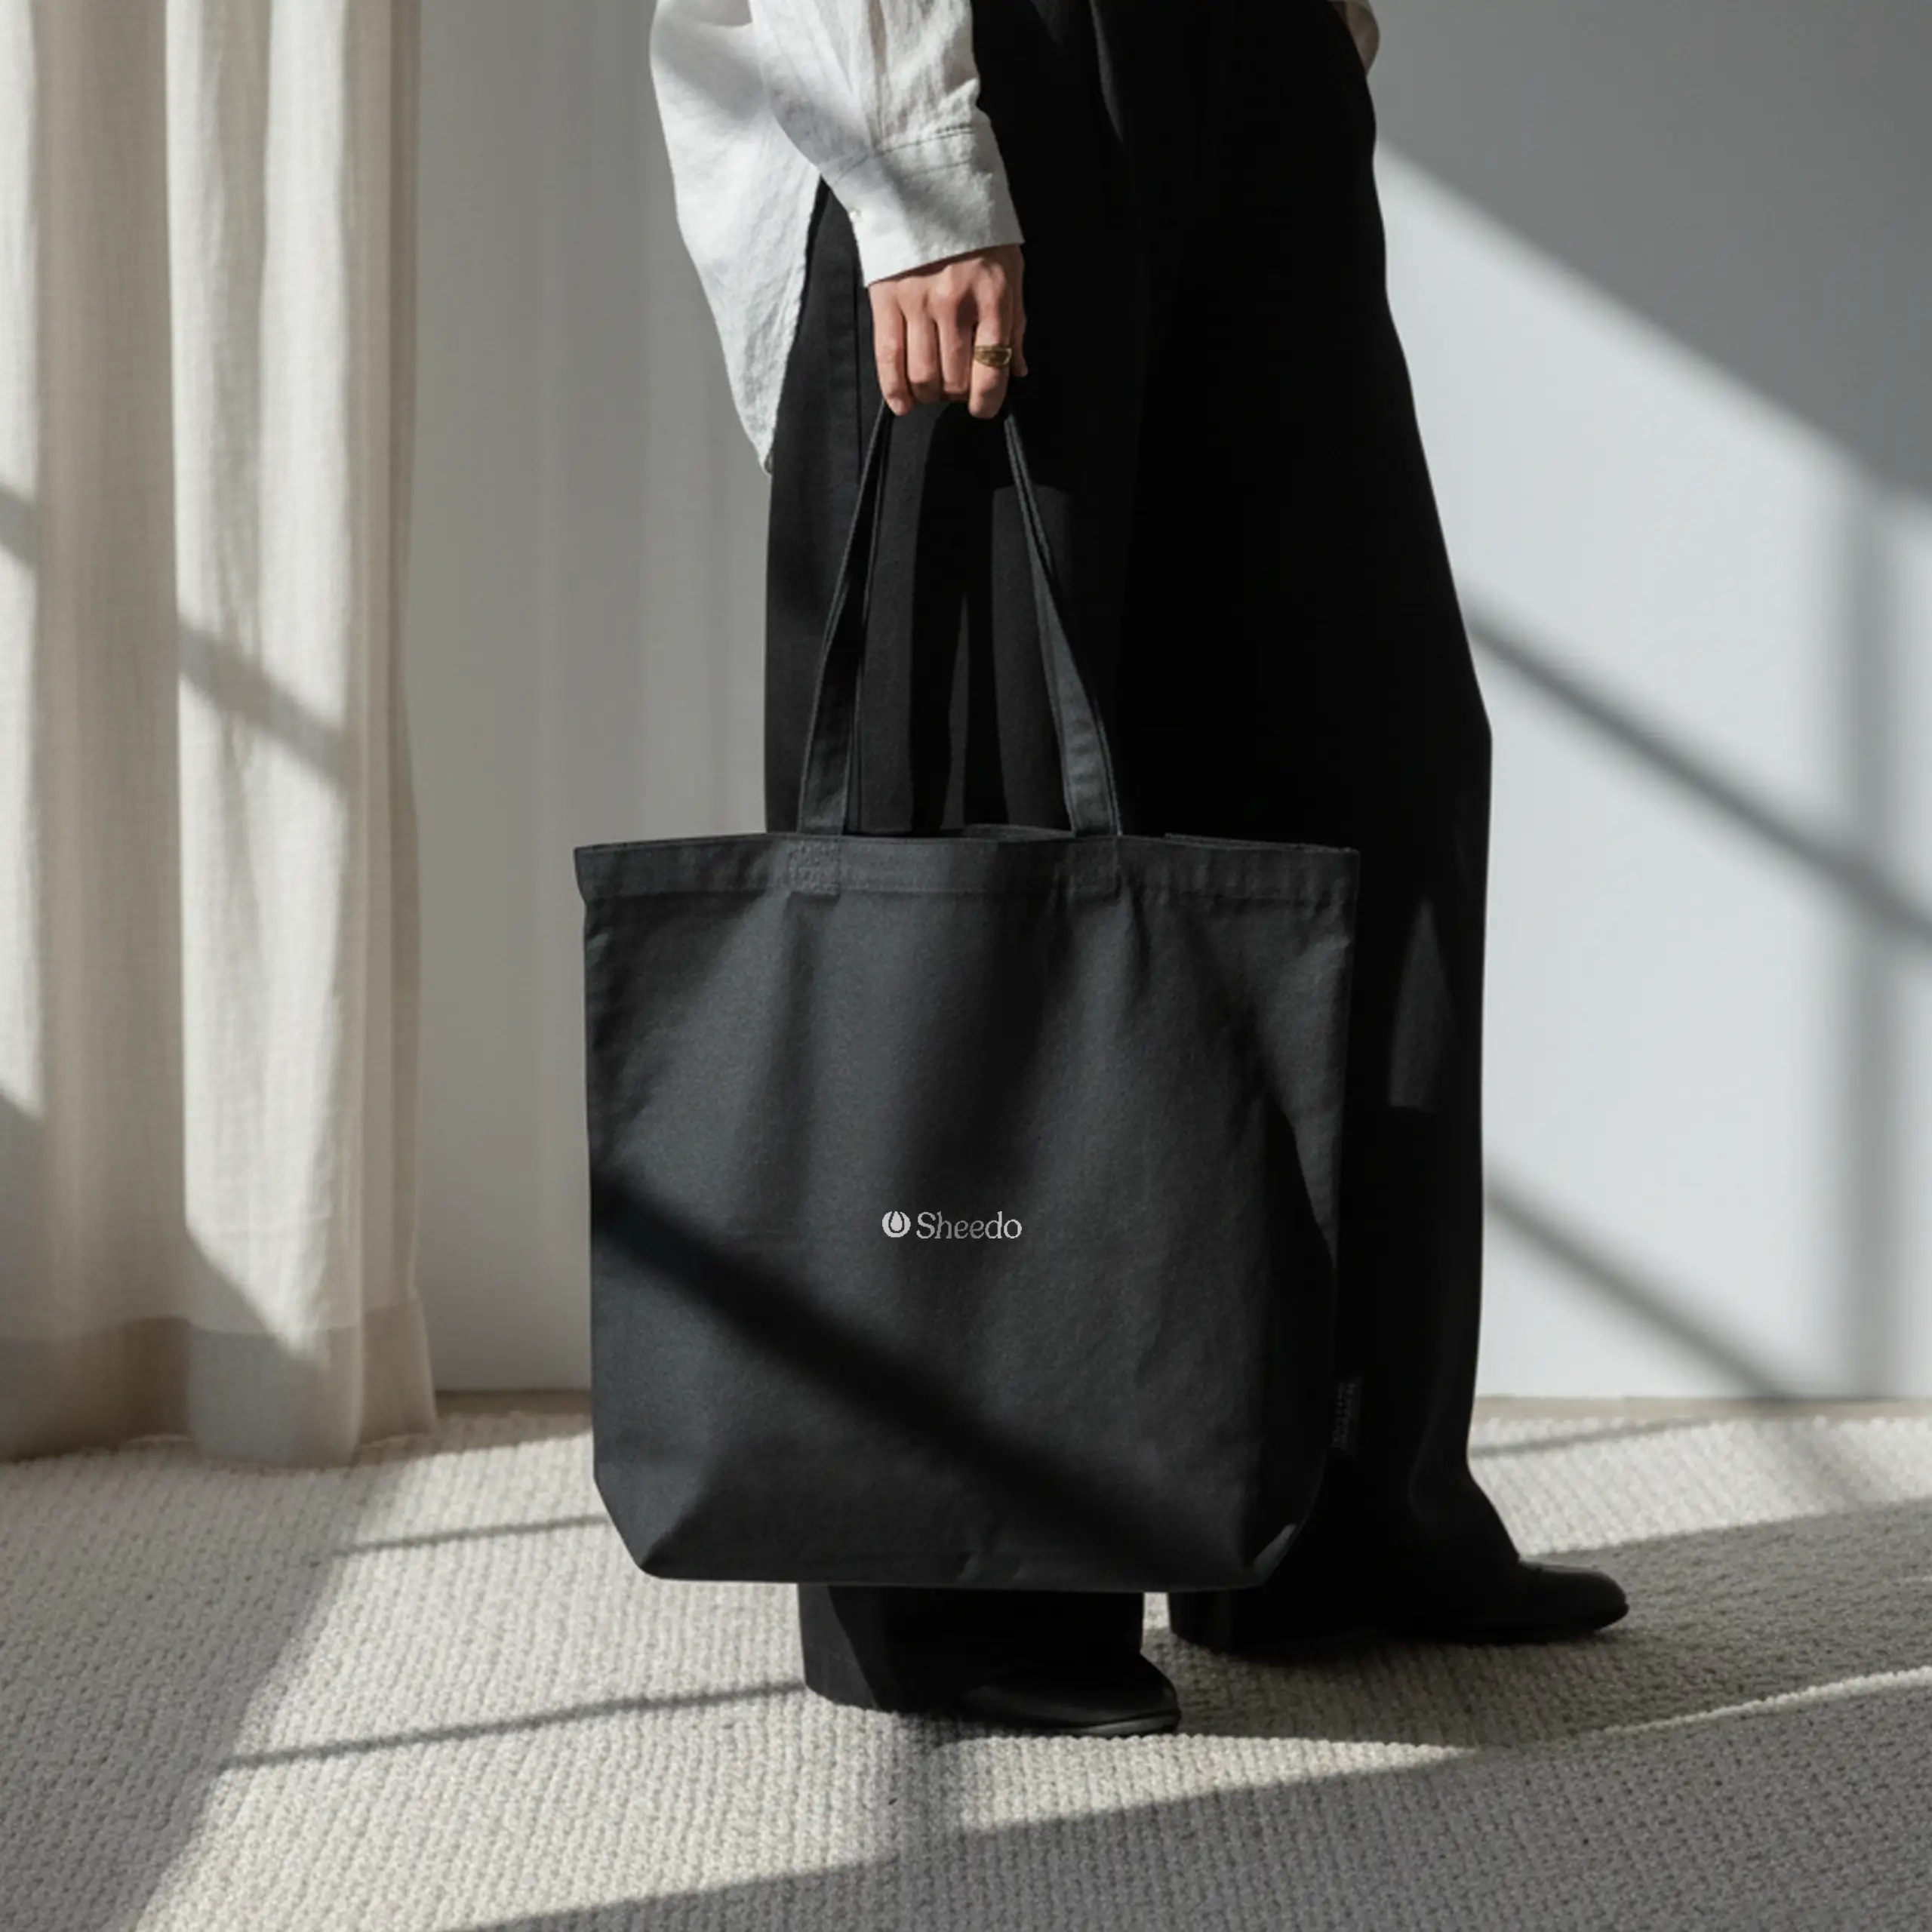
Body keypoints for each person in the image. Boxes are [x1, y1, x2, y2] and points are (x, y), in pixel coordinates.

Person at [648, 0, 1628, 1736]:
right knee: (974, 786)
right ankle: (964, 1571)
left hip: (1246, 59)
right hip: (985, 55)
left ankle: (1337, 1509)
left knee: (1358, 773)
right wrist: (916, 166)